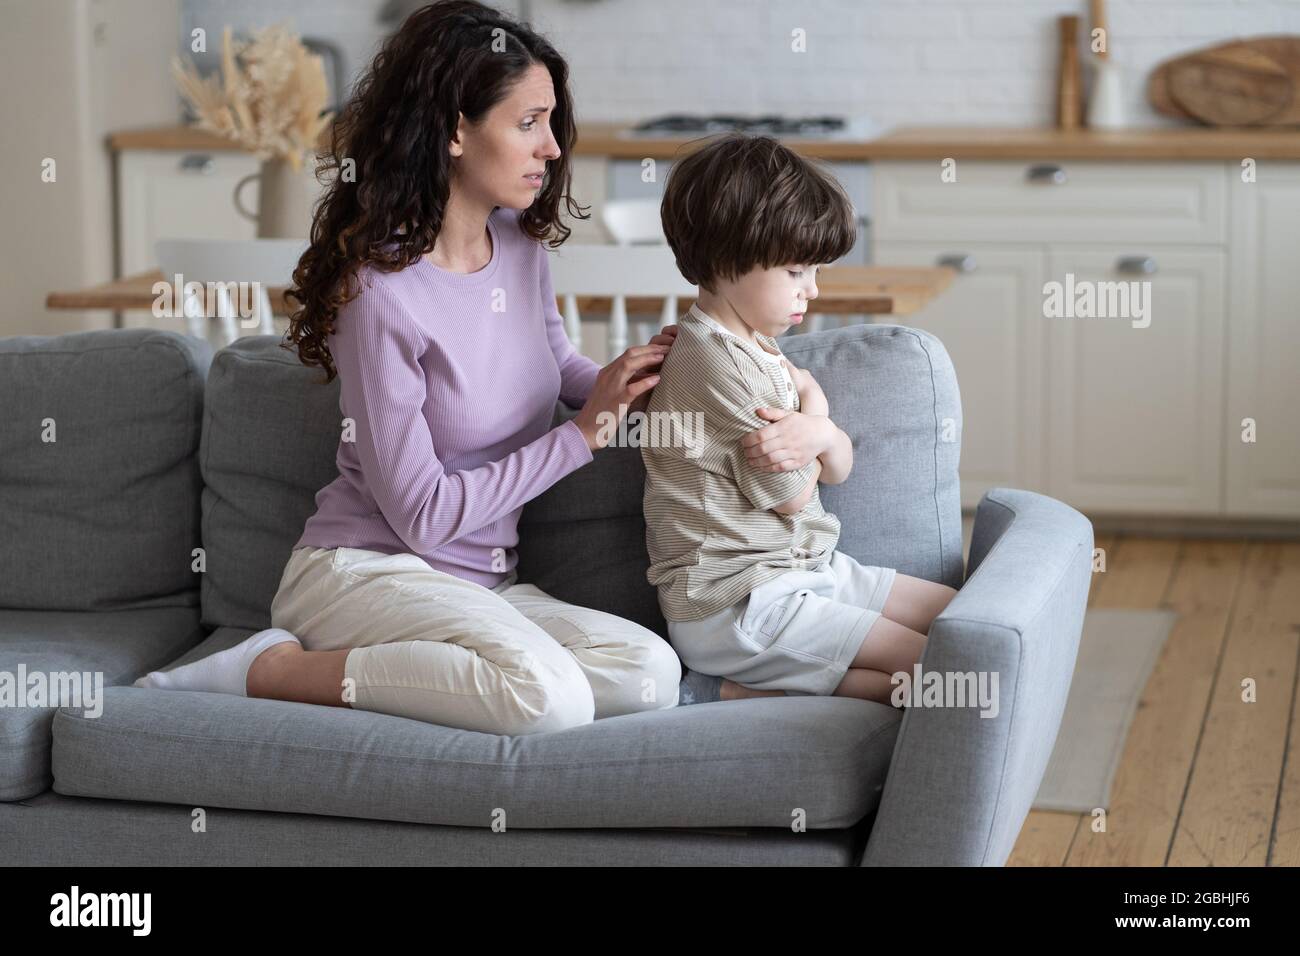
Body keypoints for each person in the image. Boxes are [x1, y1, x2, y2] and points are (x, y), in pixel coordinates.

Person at [134, 0, 682, 735]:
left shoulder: (520, 247)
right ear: (456, 129)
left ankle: (464, 670)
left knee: (649, 674)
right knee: (548, 701)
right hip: (368, 572)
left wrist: (658, 375)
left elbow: (554, 365)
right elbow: (421, 518)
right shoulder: (381, 291)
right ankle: (266, 668)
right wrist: (580, 438)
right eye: (528, 123)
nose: (552, 148)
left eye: (551, 122)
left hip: (483, 586)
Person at [642, 133, 959, 706]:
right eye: (795, 271)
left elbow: (836, 469)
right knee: (939, 670)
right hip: (738, 602)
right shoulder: (712, 364)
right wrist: (817, 418)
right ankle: (721, 689)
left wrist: (822, 432)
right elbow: (790, 496)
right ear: (724, 261)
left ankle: (741, 688)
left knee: (962, 619)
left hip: (807, 569)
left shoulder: (757, 347)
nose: (812, 290)